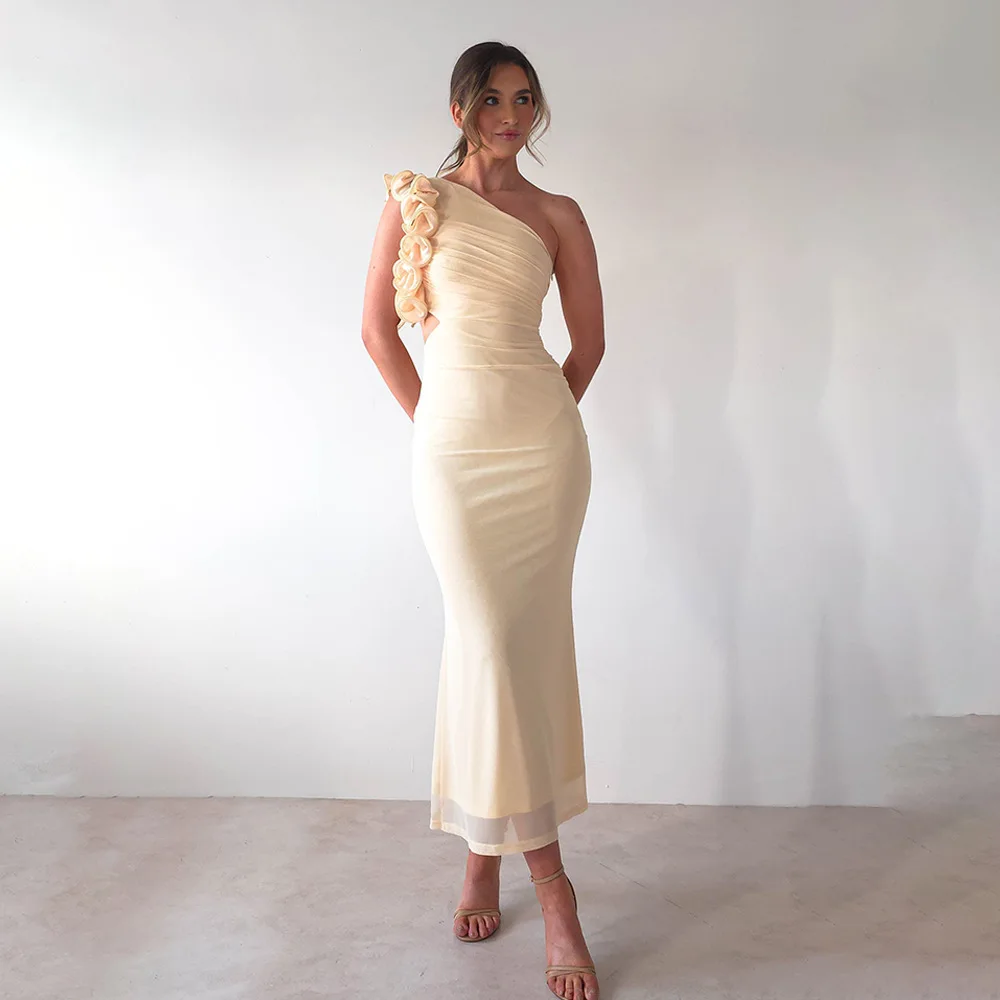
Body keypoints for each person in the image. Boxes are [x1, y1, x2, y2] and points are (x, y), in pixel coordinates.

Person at [361, 40, 604, 1000]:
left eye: (525, 98)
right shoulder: (416, 200)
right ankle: (553, 890)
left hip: (542, 454)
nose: (511, 115)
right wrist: (442, 425)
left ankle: (484, 859)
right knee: (488, 645)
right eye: (494, 98)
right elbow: (378, 333)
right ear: (460, 106)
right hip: (453, 455)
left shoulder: (560, 213)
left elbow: (588, 346)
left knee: (515, 652)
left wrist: (540, 422)